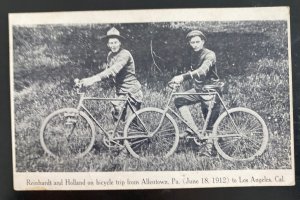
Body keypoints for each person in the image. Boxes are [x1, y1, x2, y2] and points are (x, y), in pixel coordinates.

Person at [170, 30, 223, 156]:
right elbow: (194, 71)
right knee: (179, 100)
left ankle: (208, 149)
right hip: (199, 90)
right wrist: (178, 81)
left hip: (212, 90)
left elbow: (203, 71)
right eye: (192, 42)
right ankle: (193, 130)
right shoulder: (194, 54)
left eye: (197, 42)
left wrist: (183, 77)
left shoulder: (210, 55)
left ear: (203, 42)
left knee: (209, 122)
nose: (195, 45)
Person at [80, 27, 143, 123]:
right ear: (108, 44)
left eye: (115, 42)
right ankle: (122, 137)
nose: (113, 45)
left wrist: (93, 79)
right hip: (120, 93)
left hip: (132, 92)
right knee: (116, 117)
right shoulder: (110, 55)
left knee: (130, 124)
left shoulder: (125, 54)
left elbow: (114, 70)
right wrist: (88, 81)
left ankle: (141, 138)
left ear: (120, 43)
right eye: (111, 43)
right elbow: (107, 71)